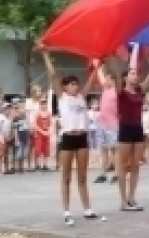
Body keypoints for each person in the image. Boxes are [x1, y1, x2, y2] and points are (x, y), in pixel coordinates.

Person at [41, 48, 100, 225]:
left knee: (82, 176)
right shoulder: (62, 98)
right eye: (72, 84)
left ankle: (87, 209)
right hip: (68, 138)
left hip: (82, 138)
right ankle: (66, 211)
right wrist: (45, 55)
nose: (75, 86)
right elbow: (53, 75)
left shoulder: (82, 98)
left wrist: (97, 66)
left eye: (76, 83)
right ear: (66, 87)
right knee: (66, 176)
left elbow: (91, 79)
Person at [105, 51, 149, 211]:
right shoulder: (121, 92)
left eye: (136, 73)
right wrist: (111, 56)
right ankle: (123, 201)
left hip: (138, 130)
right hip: (125, 129)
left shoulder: (140, 91)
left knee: (135, 165)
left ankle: (132, 198)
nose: (135, 75)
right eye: (131, 73)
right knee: (123, 166)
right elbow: (116, 74)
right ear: (125, 78)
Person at [92, 63, 119, 183]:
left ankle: (117, 173)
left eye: (108, 78)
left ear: (112, 79)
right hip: (101, 124)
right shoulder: (105, 88)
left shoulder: (116, 91)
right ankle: (103, 173)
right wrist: (97, 64)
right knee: (103, 149)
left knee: (114, 149)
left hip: (112, 124)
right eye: (106, 78)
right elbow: (100, 75)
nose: (105, 80)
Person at [32, 98, 53, 172]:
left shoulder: (48, 113)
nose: (44, 105)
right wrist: (41, 131)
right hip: (39, 134)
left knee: (46, 149)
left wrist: (49, 131)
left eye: (45, 103)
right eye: (42, 103)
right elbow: (35, 124)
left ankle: (45, 165)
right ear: (40, 105)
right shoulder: (37, 113)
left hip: (46, 133)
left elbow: (50, 124)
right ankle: (37, 165)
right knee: (38, 149)